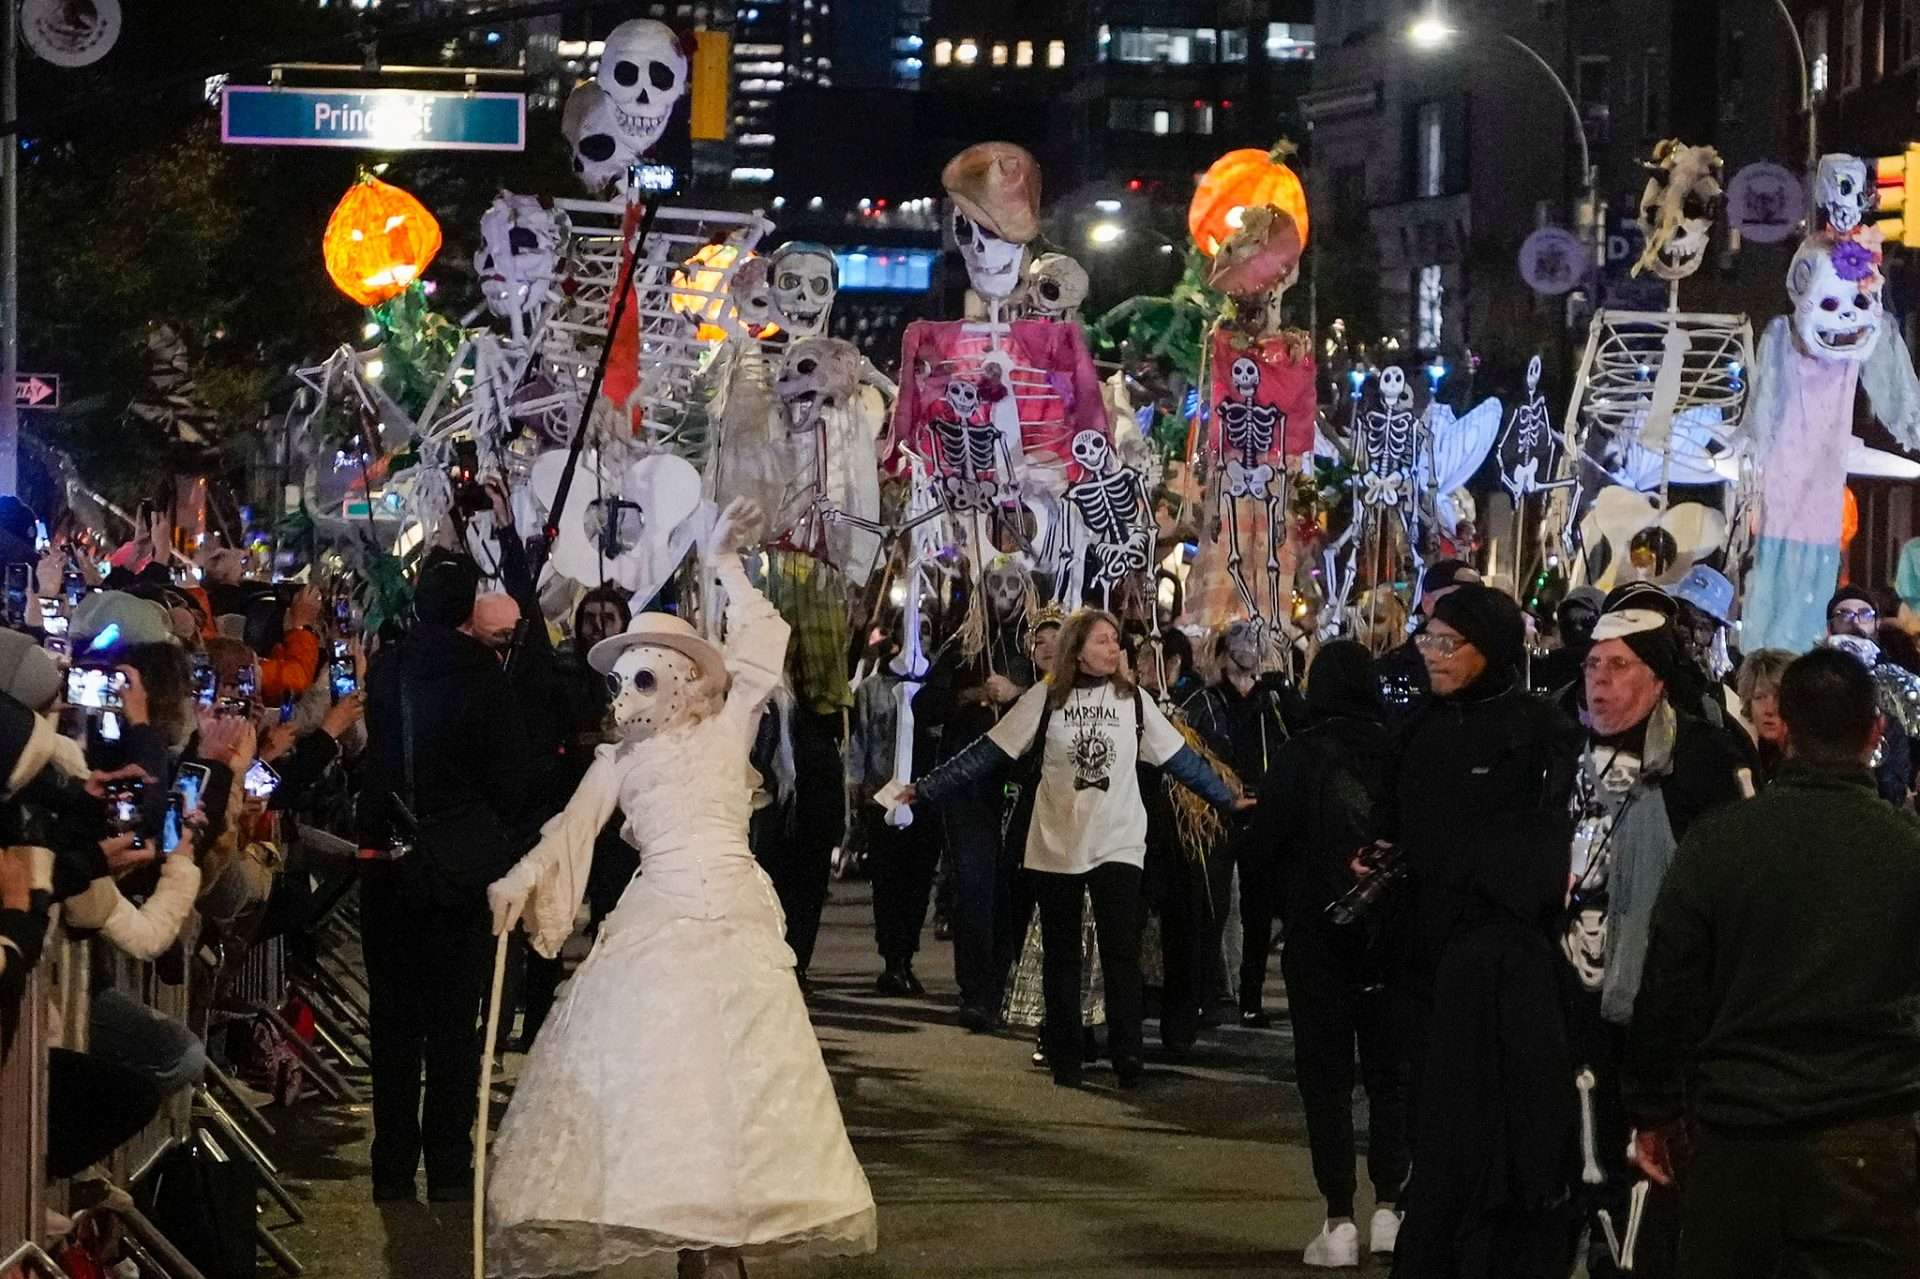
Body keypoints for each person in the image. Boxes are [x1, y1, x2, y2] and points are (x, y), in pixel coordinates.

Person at [484, 500, 875, 1279]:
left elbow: (763, 644)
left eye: (642, 675)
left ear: (682, 677)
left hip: (734, 922)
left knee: (743, 1077)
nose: (625, 693)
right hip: (659, 925)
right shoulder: (620, 760)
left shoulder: (726, 729)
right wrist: (520, 879)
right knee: (674, 1080)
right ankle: (695, 1244)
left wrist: (725, 563)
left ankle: (723, 1247)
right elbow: (572, 830)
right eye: (621, 678)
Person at [1624, 648, 1920, 1277]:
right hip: (1868, 1137)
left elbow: (1670, 986)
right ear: (1875, 731)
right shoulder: (1905, 849)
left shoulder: (1721, 841)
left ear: (1783, 724)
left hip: (1740, 1132)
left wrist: (1654, 1110)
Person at [906, 610, 1247, 1089]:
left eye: (1115, 641)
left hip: (1118, 842)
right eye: (1102, 641)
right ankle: (1065, 1054)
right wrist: (925, 788)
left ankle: (1128, 1053)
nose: (1114, 649)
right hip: (1057, 844)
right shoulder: (1044, 699)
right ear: (1078, 650)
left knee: (1121, 954)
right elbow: (987, 752)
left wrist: (1226, 799)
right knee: (1061, 956)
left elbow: (1180, 760)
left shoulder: (1135, 702)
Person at [1377, 583, 1581, 1277]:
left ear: (1490, 650)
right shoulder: (1416, 732)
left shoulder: (1539, 732)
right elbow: (1396, 823)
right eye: (1427, 640)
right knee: (1436, 1139)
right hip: (1425, 969)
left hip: (1508, 979)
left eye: (1448, 643)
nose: (1431, 654)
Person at [1558, 584, 1749, 1279]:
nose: (1600, 681)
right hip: (1570, 993)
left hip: (1667, 1002)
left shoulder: (1702, 756)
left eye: (1619, 666)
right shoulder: (1559, 744)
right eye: (1592, 665)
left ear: (1658, 675)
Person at [358, 552, 531, 1203]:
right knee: (455, 1025)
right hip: (460, 872)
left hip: (390, 866)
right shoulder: (485, 675)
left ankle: (392, 1165)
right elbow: (511, 781)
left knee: (394, 1024)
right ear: (467, 611)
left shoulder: (388, 668)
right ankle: (451, 1166)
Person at [1256, 642, 1408, 1266]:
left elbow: (1264, 848)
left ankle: (1339, 1217)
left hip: (1317, 935)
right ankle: (1391, 1206)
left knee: (1325, 1078)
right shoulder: (1399, 750)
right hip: (1391, 938)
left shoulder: (1298, 755)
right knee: (1391, 1075)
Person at [913, 556, 1041, 1025]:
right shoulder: (963, 647)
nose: (1003, 594)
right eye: (995, 583)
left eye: (1013, 584)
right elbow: (926, 705)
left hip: (1022, 784)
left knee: (1014, 886)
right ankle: (976, 991)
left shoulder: (1037, 648)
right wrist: (971, 695)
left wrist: (1017, 693)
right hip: (968, 787)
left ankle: (1004, 983)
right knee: (974, 884)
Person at [1181, 619, 1300, 1025]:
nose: (1249, 648)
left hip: (1263, 812)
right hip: (1218, 812)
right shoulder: (1206, 700)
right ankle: (1207, 994)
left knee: (1259, 909)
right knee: (1212, 908)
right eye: (1239, 642)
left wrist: (1282, 688)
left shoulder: (1273, 700)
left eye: (1254, 641)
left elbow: (1297, 732)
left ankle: (1250, 997)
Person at [848, 624, 941, 997]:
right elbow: (860, 740)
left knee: (918, 881)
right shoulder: (873, 689)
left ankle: (906, 955)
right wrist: (858, 788)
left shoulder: (935, 688)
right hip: (882, 796)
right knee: (888, 882)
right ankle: (892, 958)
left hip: (926, 796)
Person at [1825, 585, 1920, 801]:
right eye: (1844, 615)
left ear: (1876, 624)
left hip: (1885, 790)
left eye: (1865, 615)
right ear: (1830, 627)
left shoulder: (1894, 675)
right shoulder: (1815, 676)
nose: (1855, 622)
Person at [1374, 559, 1480, 720]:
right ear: (1428, 603)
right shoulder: (1396, 669)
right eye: (1455, 600)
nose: (1468, 610)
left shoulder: (1496, 662)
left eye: (1476, 600)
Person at [1733, 648, 1794, 784]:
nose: (1769, 710)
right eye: (1759, 697)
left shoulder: (1813, 760)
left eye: (1778, 697)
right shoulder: (1741, 755)